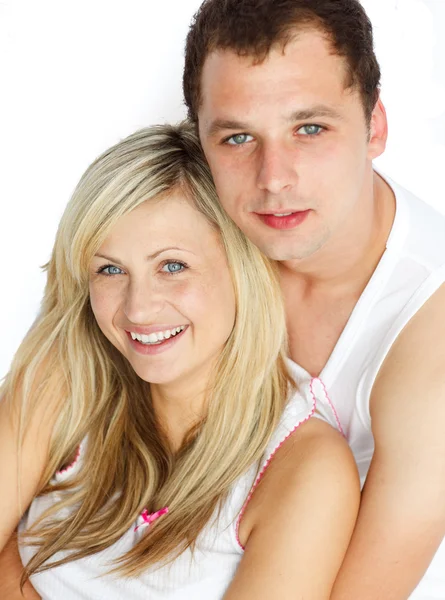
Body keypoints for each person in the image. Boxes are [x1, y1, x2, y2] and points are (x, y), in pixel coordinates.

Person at [0, 123, 359, 599]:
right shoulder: (65, 375)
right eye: (110, 269)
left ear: (241, 267)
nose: (137, 309)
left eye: (172, 266)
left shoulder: (304, 469)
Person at [182, 0, 445, 598]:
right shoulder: (193, 230)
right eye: (238, 136)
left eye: (309, 129)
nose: (274, 178)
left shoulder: (432, 327)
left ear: (375, 126)